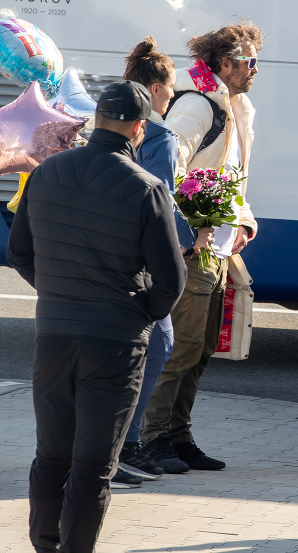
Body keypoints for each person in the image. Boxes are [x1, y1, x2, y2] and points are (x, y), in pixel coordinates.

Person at [6, 81, 187, 553]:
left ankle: (45, 546)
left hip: (54, 336)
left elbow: (19, 252)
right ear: (139, 129)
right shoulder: (146, 188)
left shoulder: (45, 174)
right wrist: (138, 313)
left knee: (51, 457)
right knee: (92, 467)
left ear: (96, 120)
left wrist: (60, 293)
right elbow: (172, 280)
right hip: (115, 342)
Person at [142, 20, 264, 473]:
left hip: (218, 246)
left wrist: (243, 221)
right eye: (251, 62)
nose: (257, 70)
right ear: (227, 63)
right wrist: (188, 235)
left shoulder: (237, 106)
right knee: (181, 347)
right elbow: (162, 175)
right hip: (193, 246)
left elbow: (232, 176)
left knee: (204, 345)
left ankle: (178, 436)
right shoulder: (195, 107)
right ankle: (150, 439)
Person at [112, 37, 215, 487]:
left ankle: (123, 445)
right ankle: (126, 446)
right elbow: (162, 199)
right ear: (155, 90)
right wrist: (194, 236)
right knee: (159, 345)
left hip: (108, 259)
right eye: (170, 88)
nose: (174, 96)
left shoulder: (114, 131)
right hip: (145, 263)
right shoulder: (161, 137)